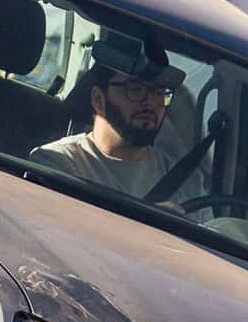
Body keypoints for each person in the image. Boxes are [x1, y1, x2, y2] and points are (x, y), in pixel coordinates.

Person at [31, 37, 203, 204]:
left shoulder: (185, 181)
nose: (150, 101)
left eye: (158, 92)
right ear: (98, 99)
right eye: (135, 88)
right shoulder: (57, 164)